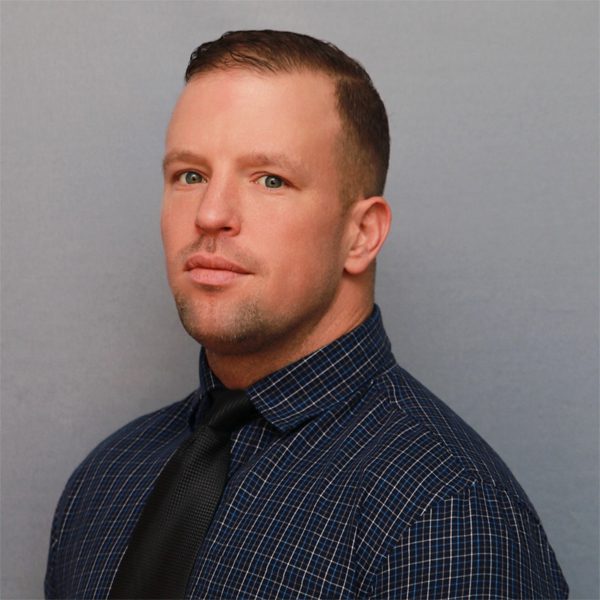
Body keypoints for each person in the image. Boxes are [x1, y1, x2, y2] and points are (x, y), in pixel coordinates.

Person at [45, 30, 568, 599]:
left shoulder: (447, 512)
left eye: (271, 179)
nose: (211, 213)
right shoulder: (106, 481)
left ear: (360, 234)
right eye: (190, 175)